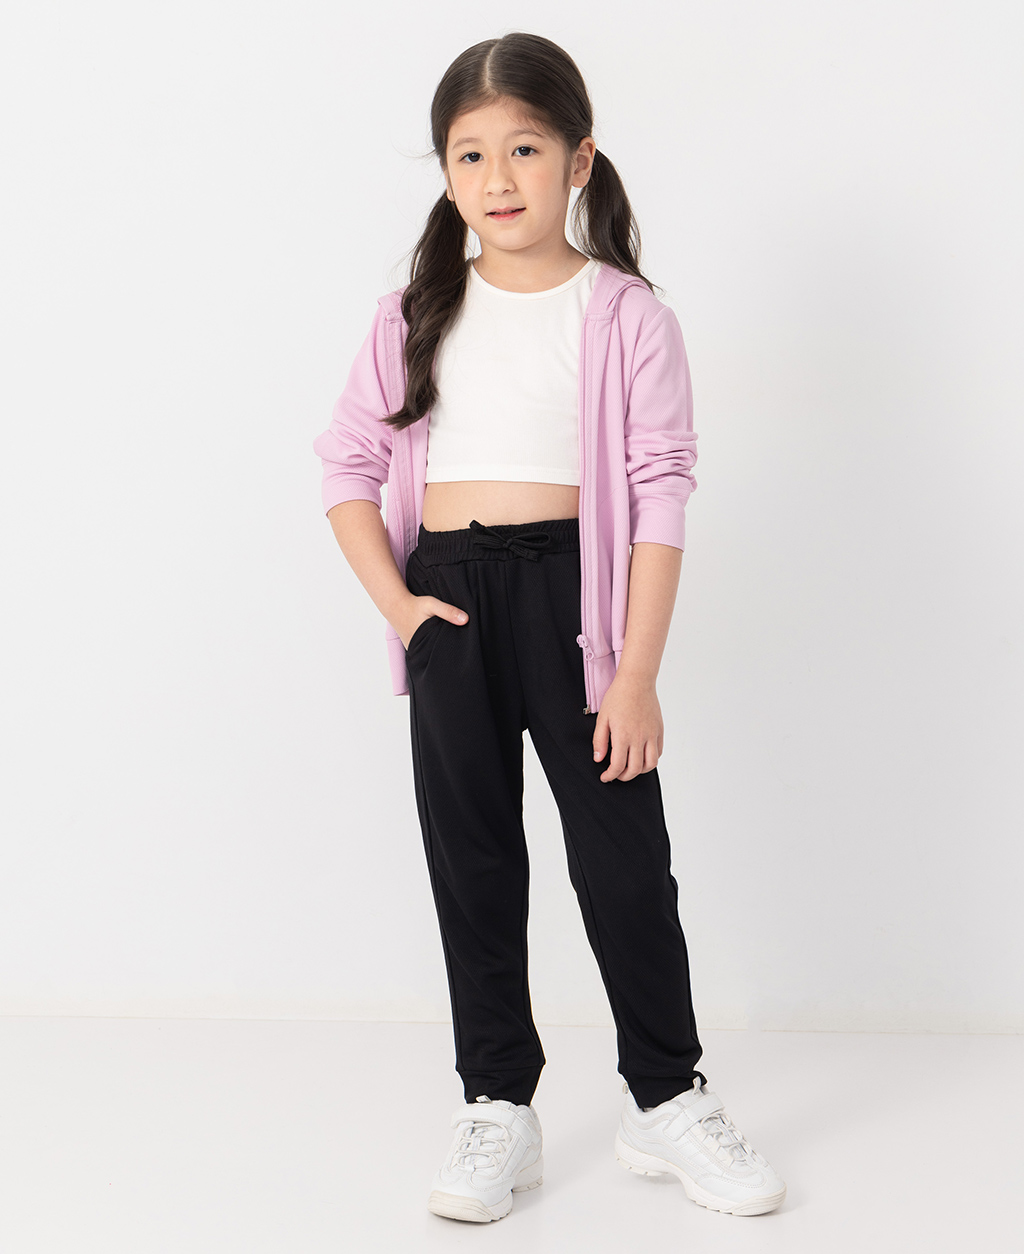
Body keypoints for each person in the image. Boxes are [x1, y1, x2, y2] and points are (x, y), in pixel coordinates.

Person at [313, 30, 786, 1225]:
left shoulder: (625, 316)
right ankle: (496, 1106)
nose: (497, 177)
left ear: (579, 159)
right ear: (445, 174)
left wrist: (635, 672)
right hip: (450, 602)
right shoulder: (413, 314)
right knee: (472, 860)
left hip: (582, 607)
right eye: (468, 154)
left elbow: (661, 493)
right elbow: (348, 467)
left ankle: (666, 1099)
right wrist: (403, 610)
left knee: (624, 864)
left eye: (523, 148)